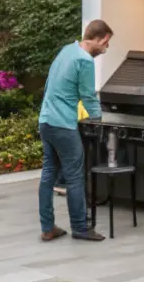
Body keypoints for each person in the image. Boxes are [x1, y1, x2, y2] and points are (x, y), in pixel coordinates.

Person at [38, 20, 112, 242]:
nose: (106, 48)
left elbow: (51, 83)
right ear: (97, 39)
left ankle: (48, 227)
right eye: (106, 43)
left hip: (46, 120)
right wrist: (98, 120)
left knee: (48, 174)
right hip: (63, 125)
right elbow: (88, 95)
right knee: (74, 176)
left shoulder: (67, 51)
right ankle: (80, 227)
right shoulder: (85, 60)